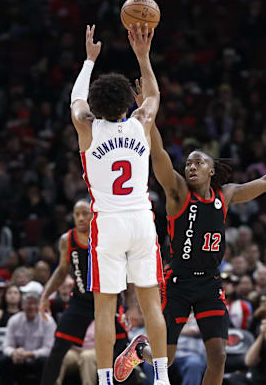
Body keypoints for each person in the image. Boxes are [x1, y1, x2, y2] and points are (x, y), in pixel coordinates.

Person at [115, 117, 266, 384]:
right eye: (188, 164)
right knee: (166, 359)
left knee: (218, 356)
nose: (191, 167)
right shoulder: (178, 193)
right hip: (178, 282)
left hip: (209, 282)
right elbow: (158, 154)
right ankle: (140, 349)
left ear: (212, 170)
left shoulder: (226, 195)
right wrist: (148, 120)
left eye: (199, 162)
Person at [69, 23, 168, 385]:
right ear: (130, 101)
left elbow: (76, 100)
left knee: (105, 309)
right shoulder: (142, 122)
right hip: (141, 220)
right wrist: (143, 55)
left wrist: (89, 60)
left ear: (97, 106)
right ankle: (162, 378)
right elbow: (153, 95)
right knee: (151, 305)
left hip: (107, 224)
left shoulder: (87, 127)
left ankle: (107, 380)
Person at [39, 200, 131, 385]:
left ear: (94, 215)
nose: (80, 218)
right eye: (76, 214)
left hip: (108, 298)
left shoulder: (106, 236)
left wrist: (129, 303)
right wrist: (45, 296)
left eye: (85, 213)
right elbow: (62, 270)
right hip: (80, 300)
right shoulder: (67, 239)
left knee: (122, 349)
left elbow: (126, 268)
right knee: (59, 348)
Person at [0, 290, 56, 385]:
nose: (32, 307)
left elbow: (48, 349)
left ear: (40, 305)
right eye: (29, 303)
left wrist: (30, 354)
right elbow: (6, 346)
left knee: (46, 362)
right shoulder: (14, 320)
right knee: (4, 362)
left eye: (35, 303)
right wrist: (14, 353)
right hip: (19, 359)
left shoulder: (48, 321)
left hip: (38, 360)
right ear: (22, 305)